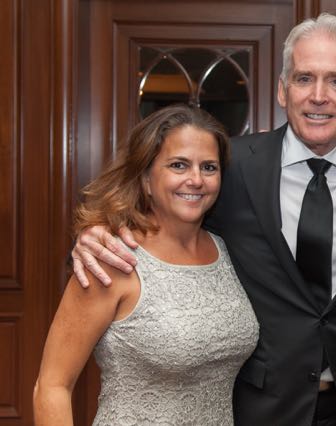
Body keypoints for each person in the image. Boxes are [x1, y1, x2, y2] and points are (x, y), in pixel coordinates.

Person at [70, 13, 336, 426]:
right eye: (304, 78)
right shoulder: (229, 167)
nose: (319, 96)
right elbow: (157, 212)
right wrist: (97, 233)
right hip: (264, 406)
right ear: (283, 90)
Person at [33, 105, 259, 425]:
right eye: (178, 165)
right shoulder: (110, 259)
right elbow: (52, 387)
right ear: (146, 179)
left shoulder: (228, 250)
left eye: (209, 167)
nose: (196, 179)